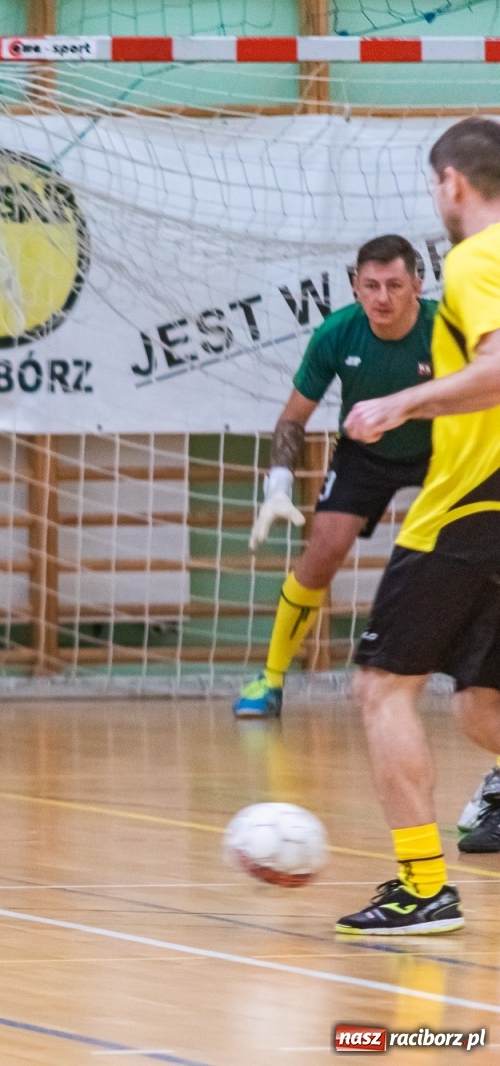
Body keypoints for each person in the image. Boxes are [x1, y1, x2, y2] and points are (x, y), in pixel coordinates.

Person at [335, 116, 500, 935]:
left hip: (474, 498)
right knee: (482, 704)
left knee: (380, 688)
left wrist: (401, 401)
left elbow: (499, 370)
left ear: (452, 184)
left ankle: (423, 886)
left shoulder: (476, 259)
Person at [238, 236, 435, 718]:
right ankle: (271, 678)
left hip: (442, 450)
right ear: (354, 287)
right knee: (322, 552)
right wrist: (277, 486)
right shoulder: (336, 333)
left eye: (394, 285)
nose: (382, 297)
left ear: (417, 285)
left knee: (468, 558)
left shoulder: (445, 330)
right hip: (364, 454)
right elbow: (293, 418)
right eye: (370, 285)